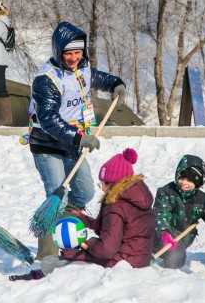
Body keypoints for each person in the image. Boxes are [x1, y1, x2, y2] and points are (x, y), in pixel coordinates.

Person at [28, 21, 127, 261]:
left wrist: (116, 84)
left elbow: (99, 78)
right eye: (68, 53)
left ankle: (66, 223)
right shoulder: (47, 79)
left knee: (84, 191)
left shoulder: (82, 69)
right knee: (56, 195)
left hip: (73, 143)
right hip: (47, 144)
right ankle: (47, 250)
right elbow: (49, 120)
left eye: (77, 52)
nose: (73, 58)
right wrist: (79, 139)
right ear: (58, 51)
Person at [10, 148, 154, 281]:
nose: (102, 188)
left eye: (103, 183)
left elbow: (106, 250)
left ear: (113, 184)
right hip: (139, 261)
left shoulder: (115, 207)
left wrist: (86, 244)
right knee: (66, 257)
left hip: (120, 266)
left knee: (52, 261)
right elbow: (119, 229)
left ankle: (38, 277)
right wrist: (87, 221)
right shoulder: (139, 200)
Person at [153, 154, 205, 269]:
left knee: (174, 261)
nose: (184, 183)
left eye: (190, 180)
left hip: (179, 238)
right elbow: (160, 214)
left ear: (199, 182)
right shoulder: (166, 192)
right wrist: (164, 234)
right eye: (182, 178)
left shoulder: (203, 201)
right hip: (158, 233)